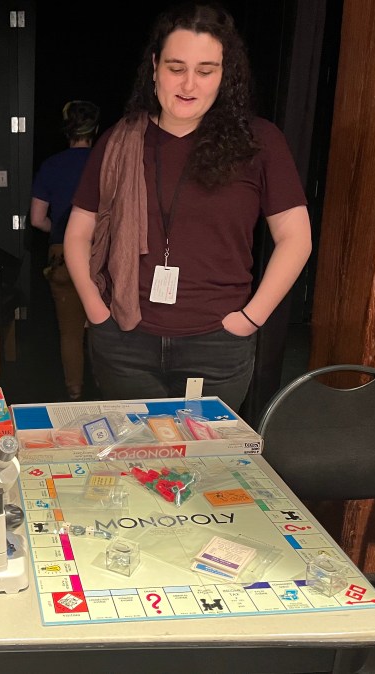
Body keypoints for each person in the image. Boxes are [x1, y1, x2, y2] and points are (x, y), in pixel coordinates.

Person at [64, 2, 311, 410]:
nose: (189, 85)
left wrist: (250, 319)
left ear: (224, 74)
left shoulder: (259, 141)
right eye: (177, 68)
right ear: (156, 67)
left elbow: (295, 237)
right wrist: (96, 308)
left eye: (206, 70)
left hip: (217, 346)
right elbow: (78, 233)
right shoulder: (120, 140)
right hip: (125, 341)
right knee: (134, 463)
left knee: (204, 468)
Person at [30, 100, 101, 400]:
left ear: (66, 131)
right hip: (101, 253)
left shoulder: (52, 165)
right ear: (95, 129)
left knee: (69, 332)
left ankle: (74, 391)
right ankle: (107, 391)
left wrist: (61, 232)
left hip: (61, 256)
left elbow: (37, 219)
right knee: (103, 328)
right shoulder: (105, 163)